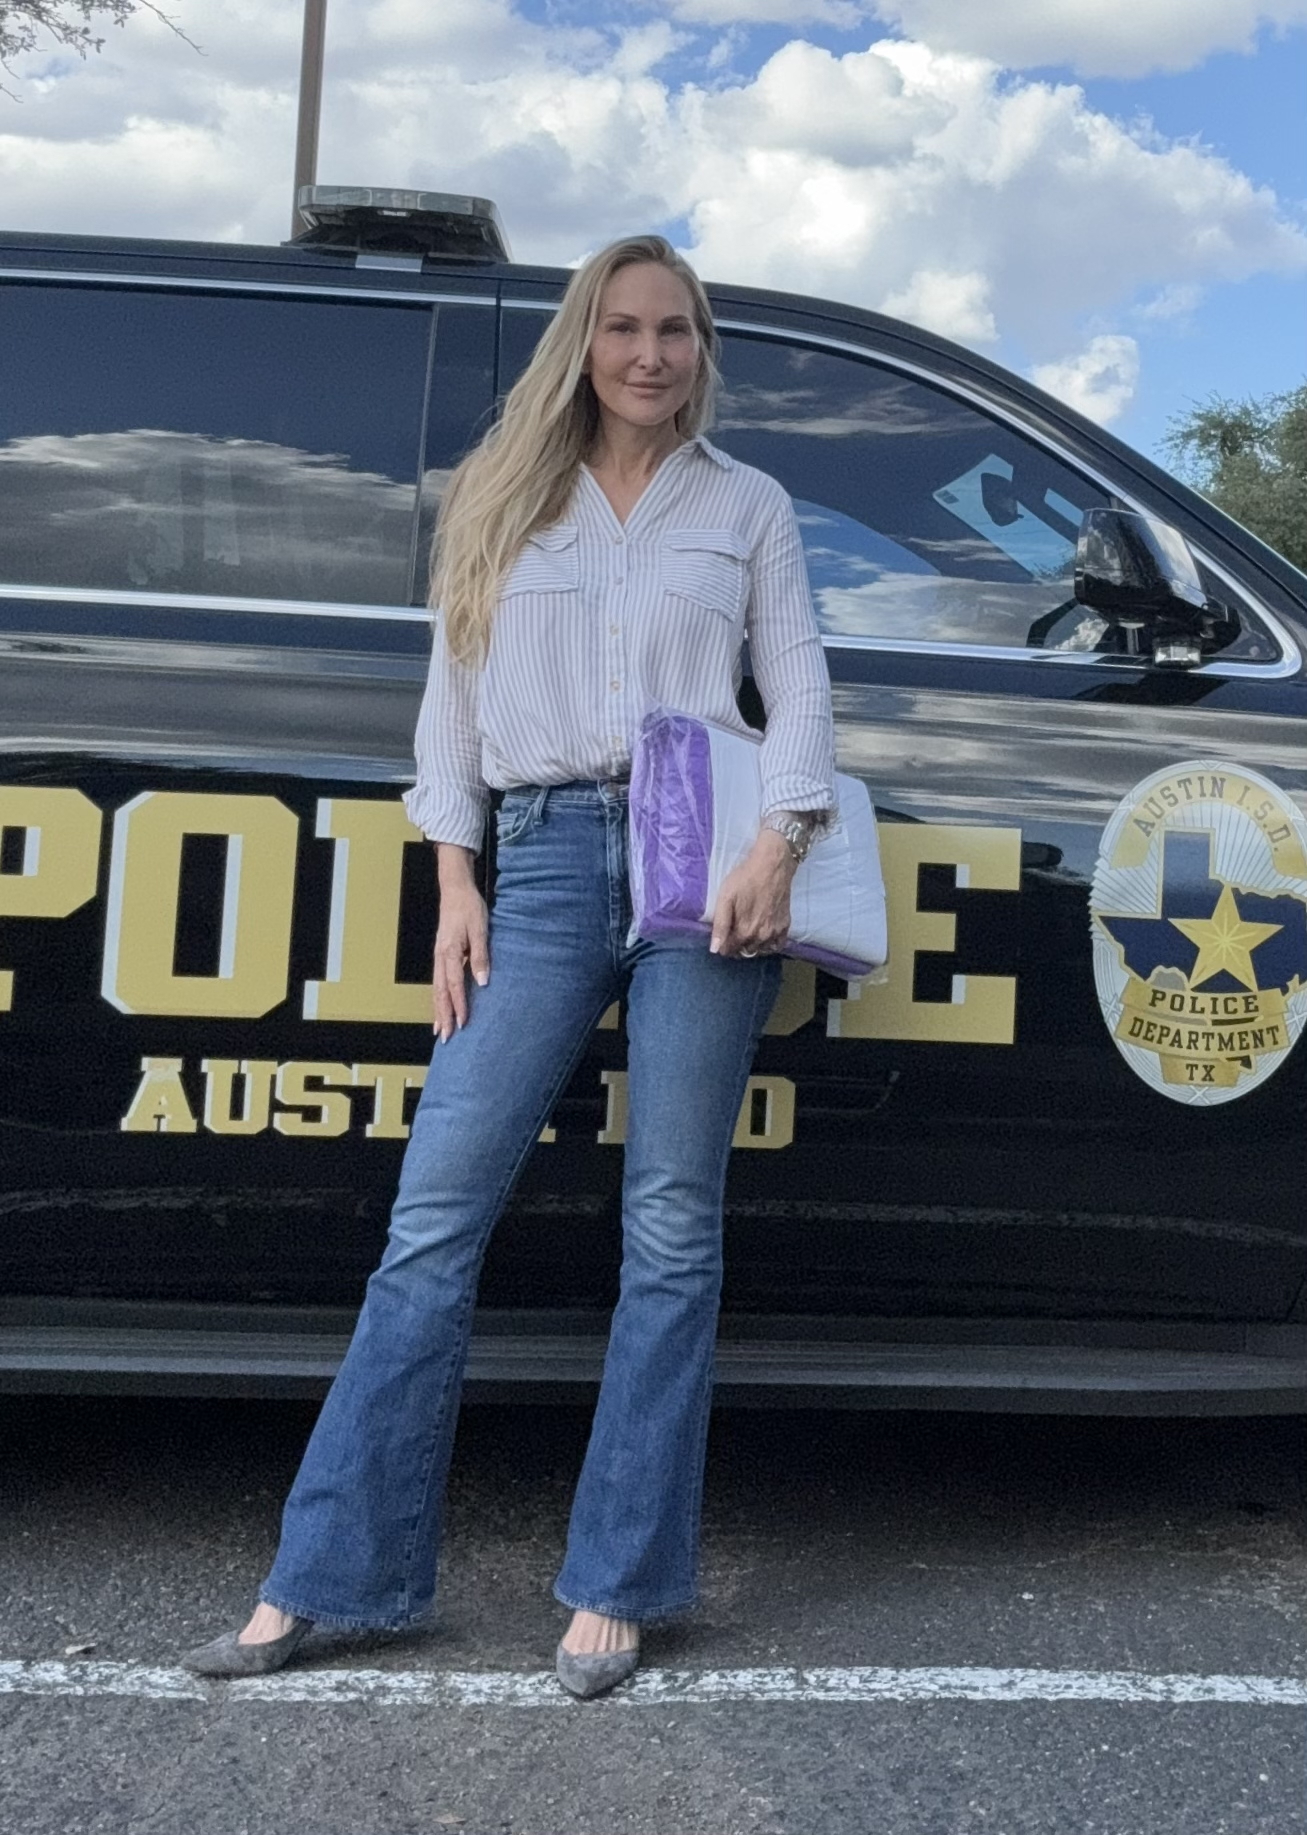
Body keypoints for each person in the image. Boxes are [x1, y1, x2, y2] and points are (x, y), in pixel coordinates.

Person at [183, 234, 836, 1700]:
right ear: (581, 340)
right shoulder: (500, 496)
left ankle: (617, 1581)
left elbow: (796, 680)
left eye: (675, 330)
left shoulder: (746, 505)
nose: (650, 355)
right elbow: (451, 702)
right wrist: (453, 879)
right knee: (434, 1213)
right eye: (623, 327)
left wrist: (776, 845)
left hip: (699, 862)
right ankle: (330, 1571)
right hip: (536, 860)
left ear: (699, 347)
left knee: (669, 1225)